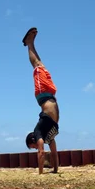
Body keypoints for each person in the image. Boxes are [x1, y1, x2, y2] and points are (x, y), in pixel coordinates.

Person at [23, 27, 60, 174]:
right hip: (50, 94)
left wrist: (40, 173)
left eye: (32, 147)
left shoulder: (38, 133)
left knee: (37, 66)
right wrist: (55, 170)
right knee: (41, 66)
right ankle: (30, 43)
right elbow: (54, 152)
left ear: (32, 140)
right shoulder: (48, 136)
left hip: (43, 95)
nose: (36, 148)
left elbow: (41, 153)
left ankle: (29, 43)